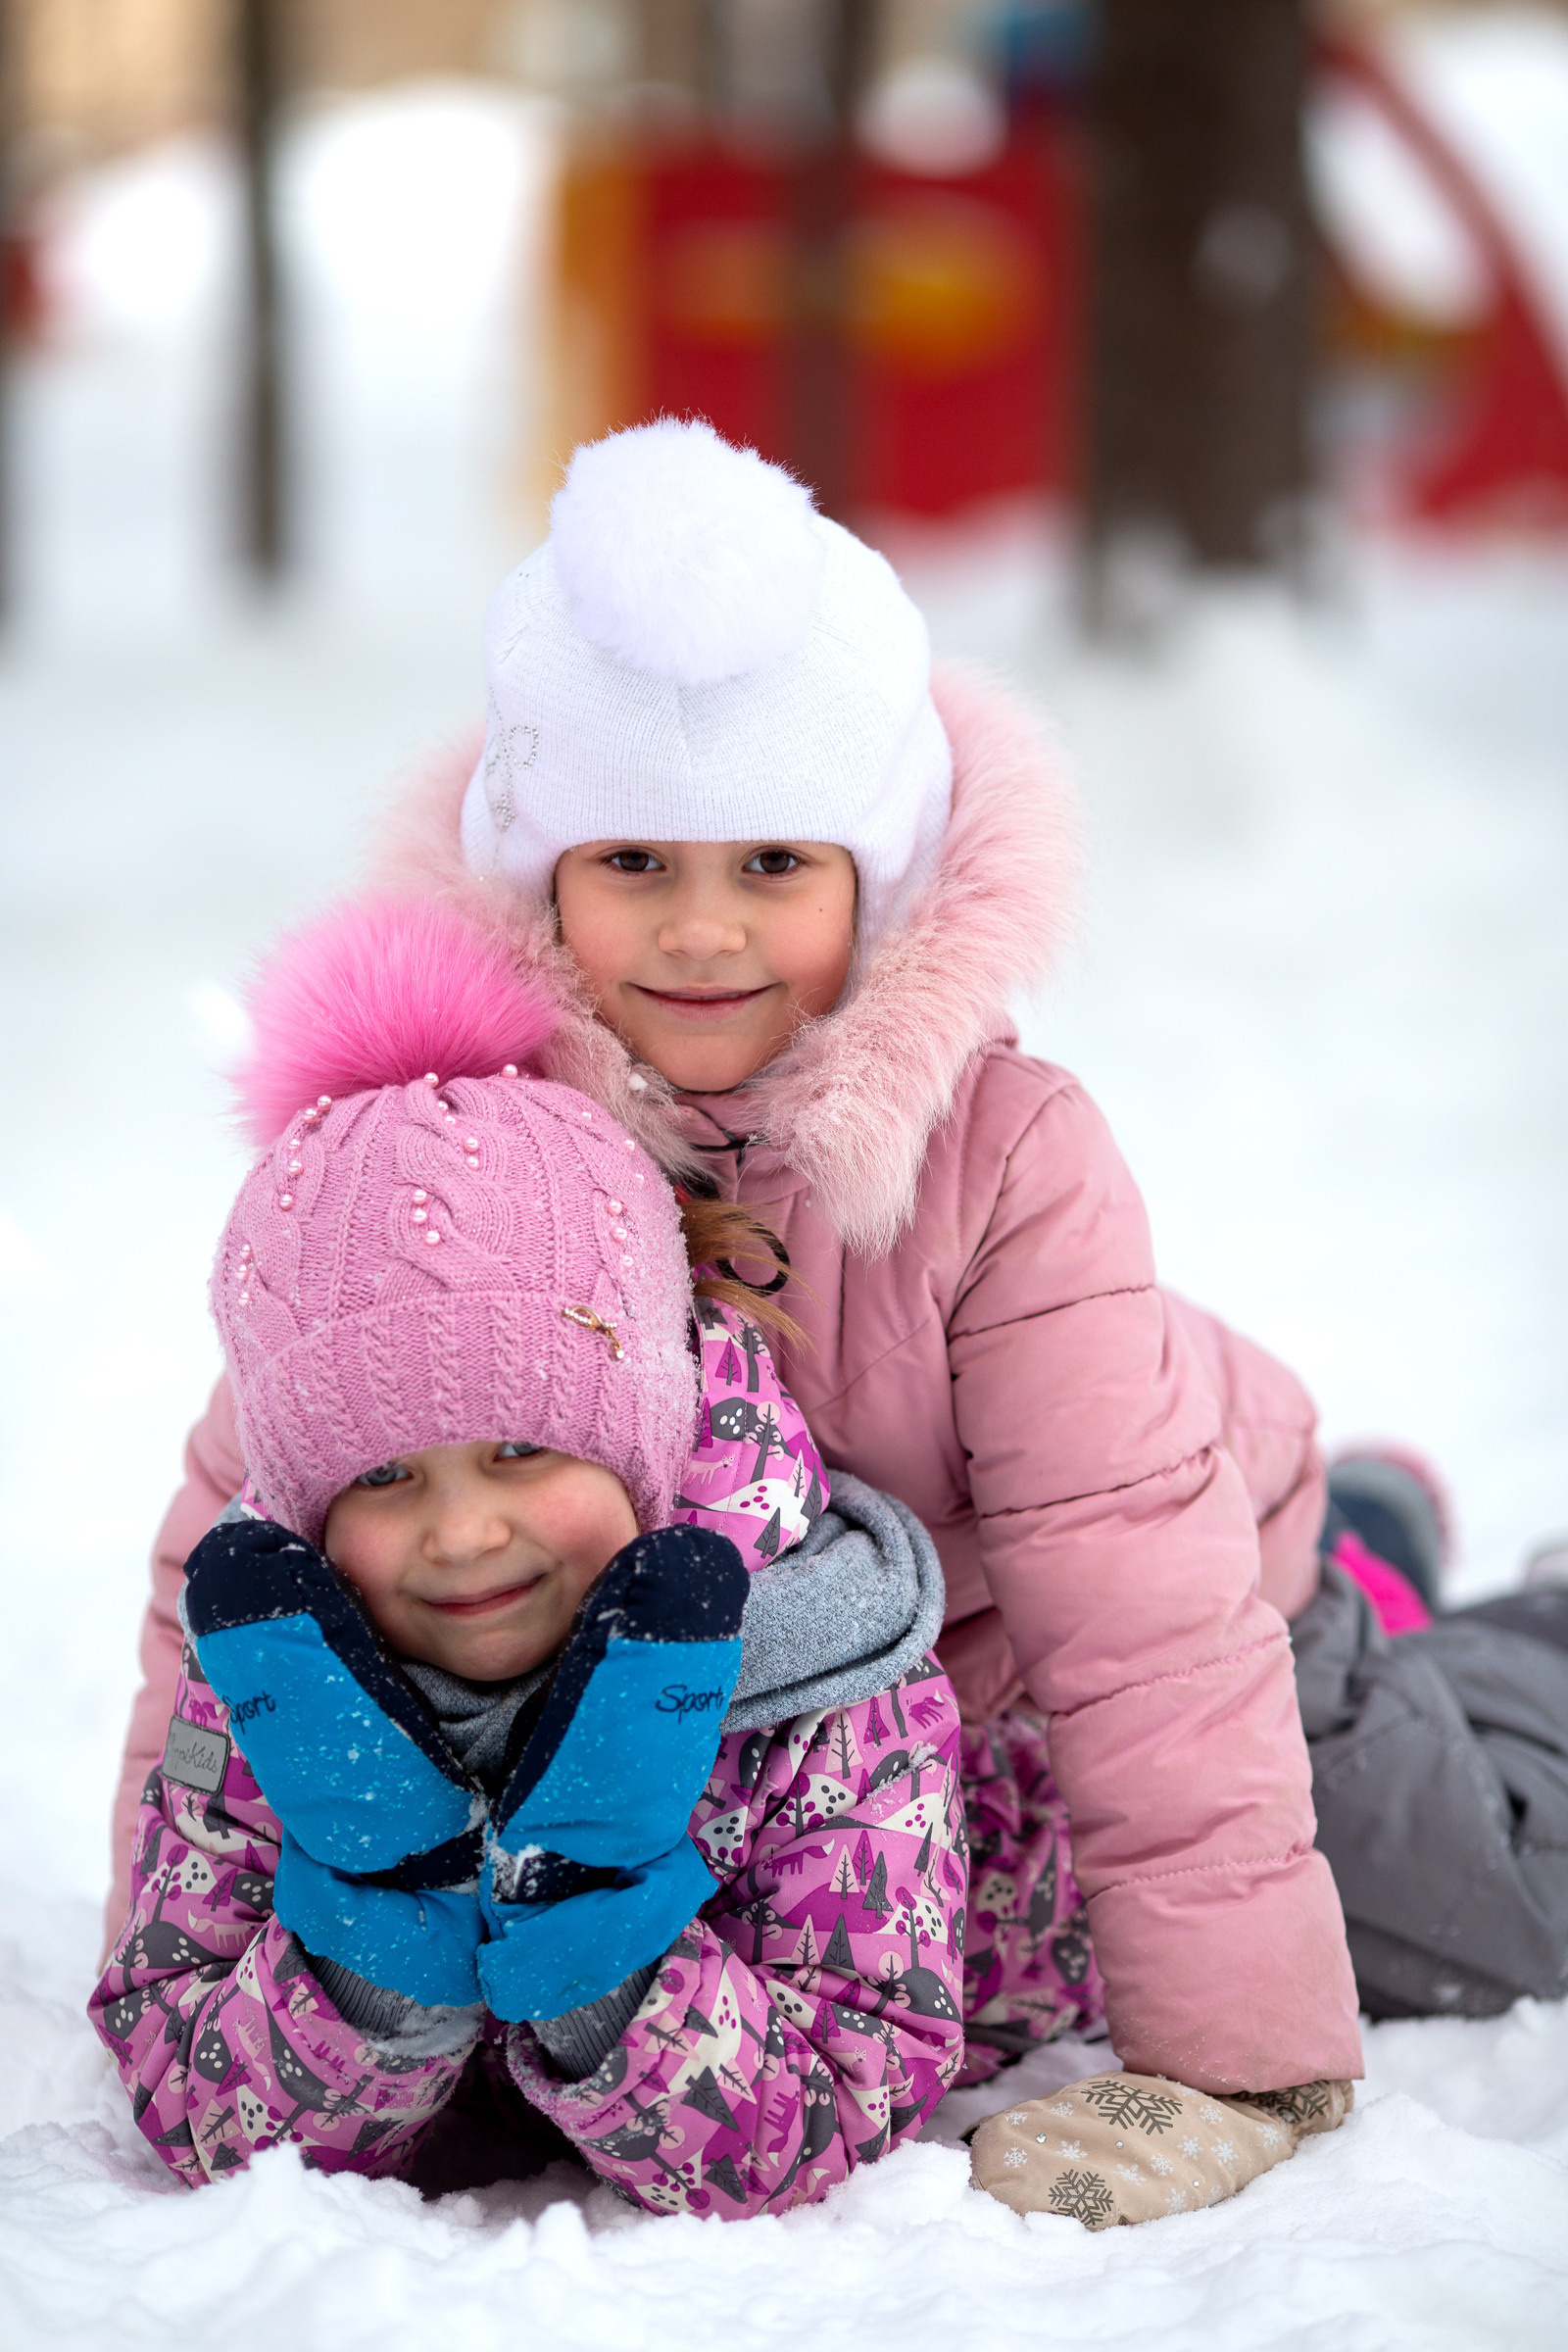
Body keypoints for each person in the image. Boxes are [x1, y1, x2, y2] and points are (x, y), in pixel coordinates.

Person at [109, 420, 1366, 2185]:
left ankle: (1406, 1567)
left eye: (774, 862)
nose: (703, 933)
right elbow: (235, 1572)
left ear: (878, 873)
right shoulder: (440, 1167)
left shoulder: (1004, 1155)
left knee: (1454, 1869)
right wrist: (177, 1955)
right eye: (634, 861)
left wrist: (1238, 2064)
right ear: (535, 874)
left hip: (1184, 1603)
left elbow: (1140, 1609)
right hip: (821, 1746)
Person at [90, 905, 969, 2207]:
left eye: (519, 1450)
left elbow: (841, 2109)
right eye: (381, 1477)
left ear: (645, 1435)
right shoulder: (276, 1678)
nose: (461, 1533)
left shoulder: (826, 1676)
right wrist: (378, 1920)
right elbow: (191, 2102)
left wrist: (599, 1921)